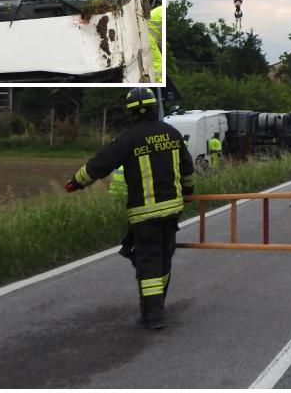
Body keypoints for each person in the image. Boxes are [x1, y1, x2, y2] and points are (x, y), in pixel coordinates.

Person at [65, 87, 194, 330]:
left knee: (148, 262)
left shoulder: (128, 138)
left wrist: (76, 182)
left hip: (144, 215)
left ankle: (153, 316)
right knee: (164, 260)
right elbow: (188, 170)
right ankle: (155, 309)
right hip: (172, 212)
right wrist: (188, 194)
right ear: (155, 107)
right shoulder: (172, 134)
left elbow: (99, 164)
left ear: (132, 113)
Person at [148, 5, 163, 83]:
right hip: (148, 39)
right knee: (158, 64)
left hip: (145, 36)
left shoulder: (160, 11)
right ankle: (159, 82)